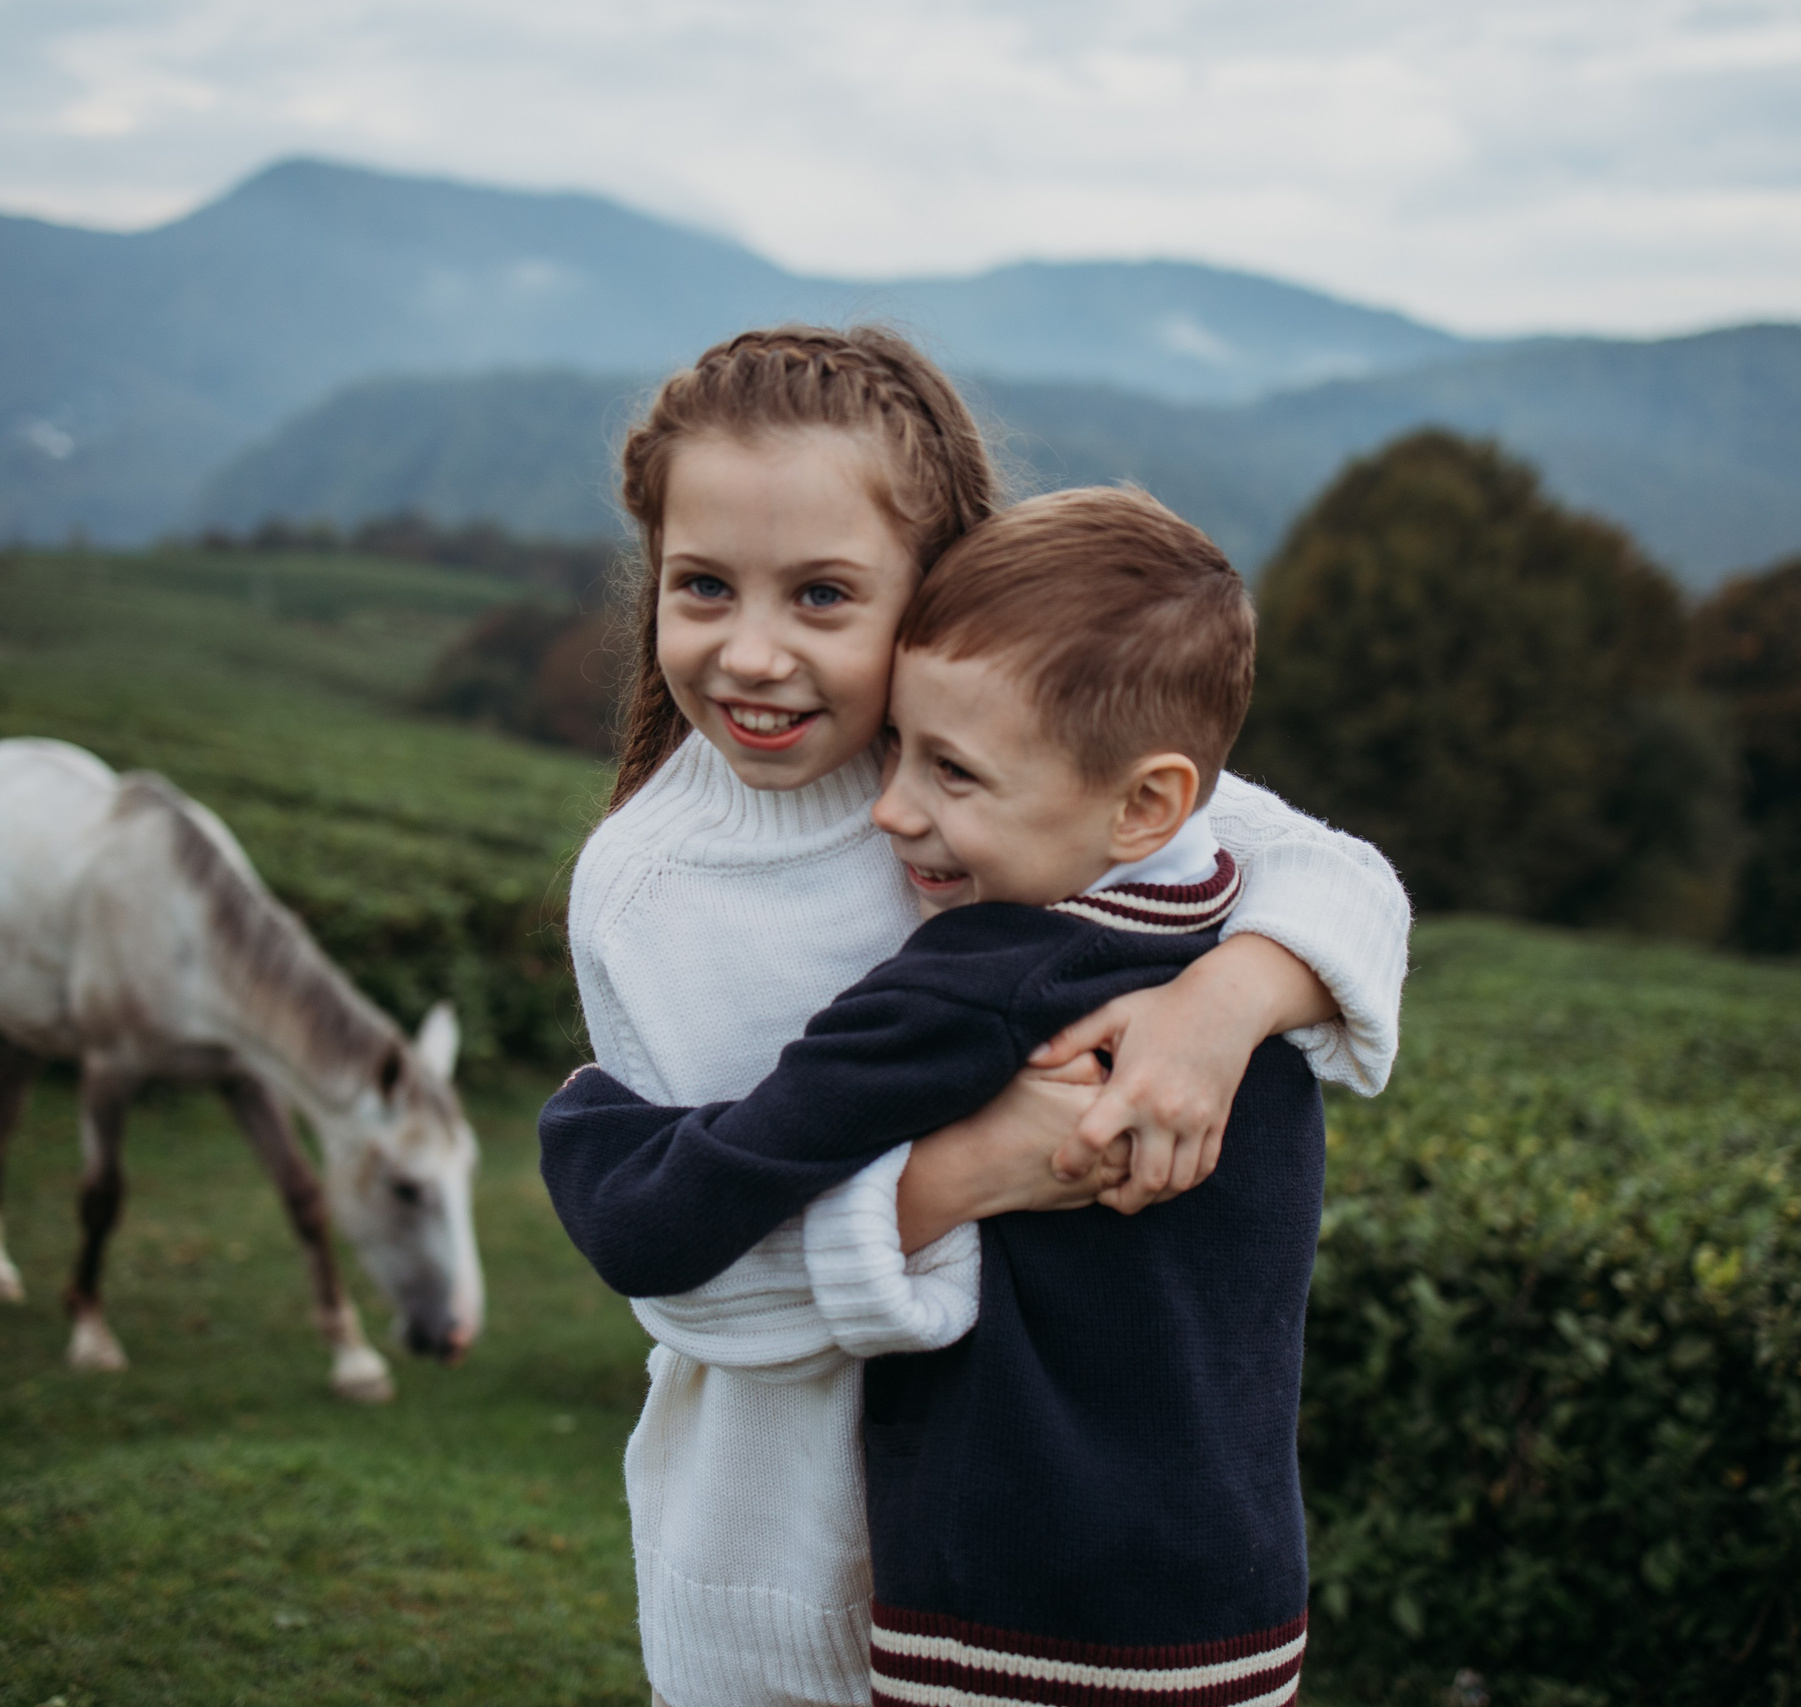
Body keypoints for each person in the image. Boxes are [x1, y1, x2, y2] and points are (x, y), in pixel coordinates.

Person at [559, 325, 1410, 1707]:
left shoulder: (1016, 750)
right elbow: (696, 1276)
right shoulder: (650, 893)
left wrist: (1221, 1005)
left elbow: (1342, 880)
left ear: (930, 587)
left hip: (1039, 1567)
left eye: (823, 595)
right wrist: (983, 1169)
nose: (754, 653)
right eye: (703, 586)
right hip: (781, 1560)